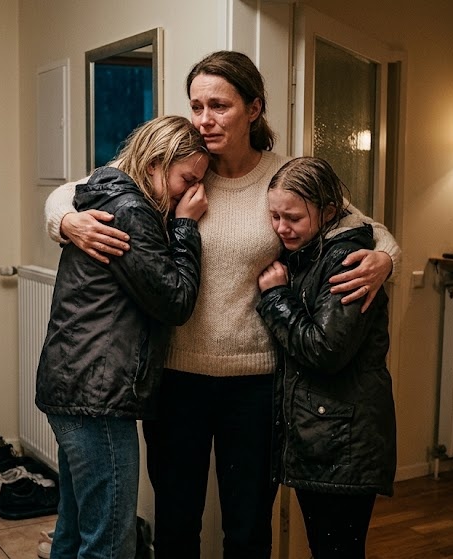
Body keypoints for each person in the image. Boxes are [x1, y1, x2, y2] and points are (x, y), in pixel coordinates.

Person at [44, 51, 401, 558]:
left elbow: (368, 228)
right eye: (196, 106)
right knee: (176, 525)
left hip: (256, 384)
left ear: (253, 109)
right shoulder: (180, 166)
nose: (204, 119)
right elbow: (74, 190)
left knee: (247, 529)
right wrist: (66, 222)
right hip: (174, 379)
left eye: (219, 106)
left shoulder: (284, 177)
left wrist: (385, 259)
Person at [36, 115, 210, 559]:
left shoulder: (107, 192)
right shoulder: (131, 209)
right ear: (155, 164)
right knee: (110, 543)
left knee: (73, 531)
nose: (193, 193)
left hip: (76, 386)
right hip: (98, 397)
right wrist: (186, 226)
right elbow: (175, 301)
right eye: (187, 180)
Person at [256, 156, 396, 558]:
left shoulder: (348, 260)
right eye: (275, 216)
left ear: (329, 212)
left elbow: (324, 349)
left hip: (344, 442)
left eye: (293, 218)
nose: (282, 227)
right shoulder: (311, 251)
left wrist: (276, 297)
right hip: (328, 437)